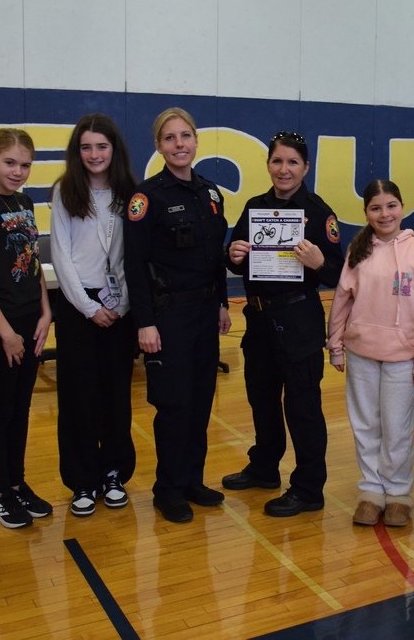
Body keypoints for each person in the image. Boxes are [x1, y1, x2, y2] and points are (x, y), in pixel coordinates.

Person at [222, 131, 344, 517]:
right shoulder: (256, 206)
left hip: (299, 318)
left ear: (305, 167)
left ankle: (308, 488)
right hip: (258, 317)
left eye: (293, 162)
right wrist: (234, 253)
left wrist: (318, 264)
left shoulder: (319, 212)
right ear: (269, 165)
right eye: (277, 161)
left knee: (303, 406)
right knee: (262, 399)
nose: (284, 169)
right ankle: (264, 467)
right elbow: (233, 258)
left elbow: (339, 273)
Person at [123, 107, 231, 524]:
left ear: (196, 141)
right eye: (170, 138)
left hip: (206, 313)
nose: (179, 144)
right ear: (158, 146)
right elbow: (134, 264)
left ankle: (192, 480)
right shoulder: (146, 197)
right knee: (173, 405)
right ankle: (167, 488)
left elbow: (215, 257)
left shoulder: (211, 193)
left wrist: (222, 302)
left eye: (185, 136)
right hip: (167, 318)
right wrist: (144, 323)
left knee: (202, 401)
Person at [327, 179, 414, 528]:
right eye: (376, 208)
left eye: (391, 205)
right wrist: (335, 345)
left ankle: (398, 494)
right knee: (366, 425)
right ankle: (371, 492)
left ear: (402, 207)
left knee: (396, 428)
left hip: (403, 357)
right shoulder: (358, 250)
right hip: (361, 352)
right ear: (366, 213)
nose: (384, 213)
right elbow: (342, 299)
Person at [50, 114, 138, 517]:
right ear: (77, 151)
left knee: (117, 395)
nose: (94, 154)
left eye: (101, 146)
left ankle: (114, 473)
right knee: (79, 396)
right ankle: (83, 481)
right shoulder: (65, 191)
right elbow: (61, 255)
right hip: (78, 306)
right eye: (85, 147)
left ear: (114, 149)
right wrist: (87, 308)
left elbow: (132, 256)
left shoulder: (131, 193)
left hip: (120, 303)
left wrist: (119, 306)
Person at [0, 128, 53, 530]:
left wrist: (45, 310)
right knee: (1, 407)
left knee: (21, 407)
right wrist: (5, 332)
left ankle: (16, 482)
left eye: (24, 165)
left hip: (28, 319)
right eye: (10, 163)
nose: (18, 171)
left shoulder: (24, 202)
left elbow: (32, 261)